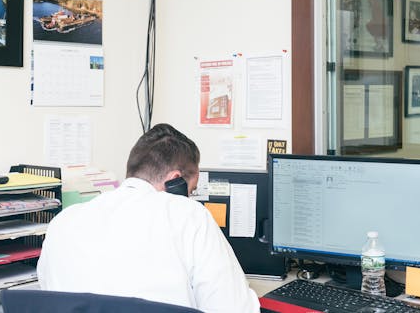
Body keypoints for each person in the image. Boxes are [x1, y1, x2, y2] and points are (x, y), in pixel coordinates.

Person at [37, 123, 260, 313]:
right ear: (176, 181)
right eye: (190, 191)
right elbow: (233, 308)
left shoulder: (64, 222)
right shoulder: (188, 214)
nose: (188, 198)